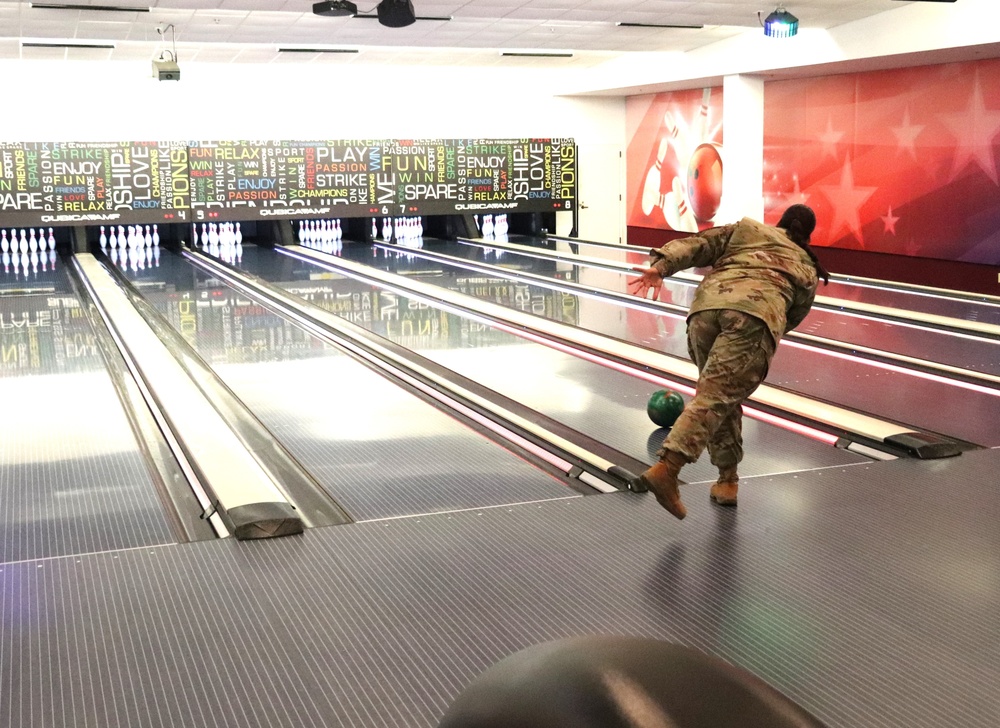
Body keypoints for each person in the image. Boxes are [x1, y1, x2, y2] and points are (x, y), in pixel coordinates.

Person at [626, 204, 829, 519]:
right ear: (809, 234)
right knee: (717, 397)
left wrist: (661, 265)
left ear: (781, 222)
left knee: (720, 398)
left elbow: (700, 244)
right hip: (752, 320)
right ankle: (668, 468)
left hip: (704, 313)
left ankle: (727, 481)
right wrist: (760, 329)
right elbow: (792, 317)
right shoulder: (806, 264)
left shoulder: (746, 230)